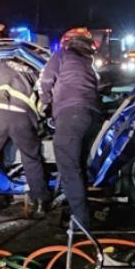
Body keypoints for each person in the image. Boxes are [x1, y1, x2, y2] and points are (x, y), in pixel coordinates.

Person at [38, 27, 101, 230]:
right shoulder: (88, 63)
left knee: (69, 169)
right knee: (79, 166)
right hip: (92, 117)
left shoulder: (61, 55)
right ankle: (81, 212)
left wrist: (44, 103)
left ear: (67, 42)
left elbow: (45, 80)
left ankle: (80, 222)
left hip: (71, 114)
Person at [0, 55, 50, 219]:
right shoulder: (34, 66)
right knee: (31, 158)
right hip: (21, 114)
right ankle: (40, 202)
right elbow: (43, 99)